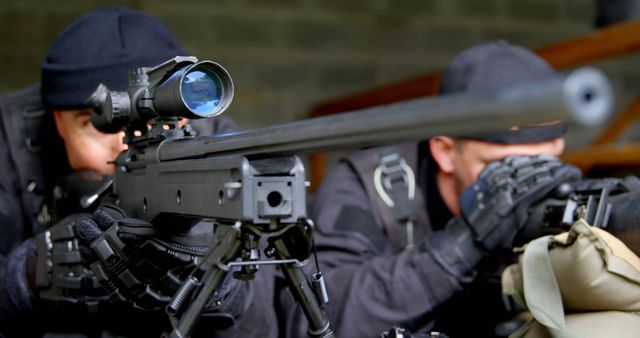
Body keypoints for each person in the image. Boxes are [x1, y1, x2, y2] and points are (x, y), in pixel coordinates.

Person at [277, 41, 590, 338]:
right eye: (504, 166)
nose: (526, 183)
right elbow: (309, 319)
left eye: (544, 163)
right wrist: (463, 245)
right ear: (444, 151)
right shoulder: (367, 187)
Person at [0, 7, 277, 338]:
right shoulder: (10, 145)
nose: (124, 146)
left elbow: (264, 318)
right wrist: (29, 275)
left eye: (149, 122)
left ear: (183, 117)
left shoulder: (219, 149)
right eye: (97, 123)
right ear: (58, 121)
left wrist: (219, 282)